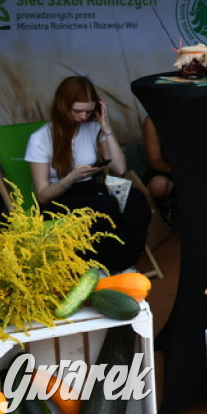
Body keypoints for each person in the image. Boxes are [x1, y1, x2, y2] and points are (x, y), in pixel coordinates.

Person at [25, 76, 151, 273]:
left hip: (88, 188)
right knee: (105, 205)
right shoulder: (41, 138)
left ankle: (122, 265)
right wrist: (71, 177)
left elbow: (119, 168)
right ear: (62, 105)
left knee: (136, 199)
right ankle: (98, 269)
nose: (83, 117)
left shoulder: (93, 128)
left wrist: (106, 127)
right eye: (77, 111)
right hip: (58, 197)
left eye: (89, 111)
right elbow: (43, 195)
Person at [142, 116, 176, 227]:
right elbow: (155, 160)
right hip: (168, 170)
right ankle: (164, 212)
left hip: (196, 169)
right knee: (159, 185)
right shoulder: (152, 121)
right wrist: (173, 171)